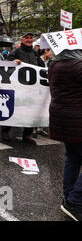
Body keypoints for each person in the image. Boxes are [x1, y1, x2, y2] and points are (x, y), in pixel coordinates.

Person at [48, 48, 82, 221]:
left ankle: (69, 198)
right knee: (73, 158)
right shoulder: (77, 66)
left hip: (63, 121)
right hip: (77, 120)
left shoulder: (55, 65)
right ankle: (75, 202)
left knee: (73, 158)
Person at [4, 32, 45, 145]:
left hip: (32, 88)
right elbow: (5, 65)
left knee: (31, 111)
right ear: (22, 40)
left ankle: (27, 134)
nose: (29, 39)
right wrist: (13, 62)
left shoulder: (34, 53)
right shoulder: (16, 51)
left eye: (31, 38)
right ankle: (5, 131)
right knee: (13, 109)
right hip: (18, 87)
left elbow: (42, 67)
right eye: (26, 38)